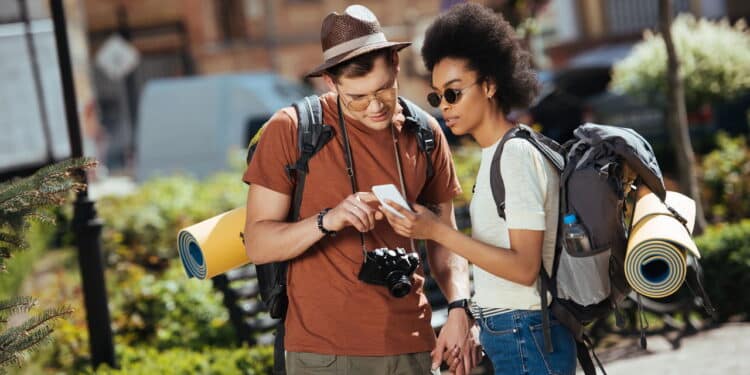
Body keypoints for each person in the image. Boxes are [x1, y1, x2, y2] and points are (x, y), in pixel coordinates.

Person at [243, 5, 479, 374]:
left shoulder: (425, 133)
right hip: (322, 353)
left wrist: (460, 309)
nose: (374, 107)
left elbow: (446, 243)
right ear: (331, 83)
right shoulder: (291, 130)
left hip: (412, 345)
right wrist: (329, 220)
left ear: (396, 65)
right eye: (357, 98)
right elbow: (258, 243)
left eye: (384, 90)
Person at [380, 3, 577, 374]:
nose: (445, 107)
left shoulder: (516, 155)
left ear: (489, 85)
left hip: (527, 333)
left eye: (454, 93)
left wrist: (435, 231)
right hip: (512, 332)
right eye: (437, 97)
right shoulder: (496, 153)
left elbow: (523, 267)